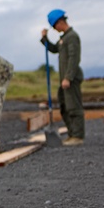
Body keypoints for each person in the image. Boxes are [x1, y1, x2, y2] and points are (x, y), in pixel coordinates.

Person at [41, 9, 84, 145]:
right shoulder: (64, 38)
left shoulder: (72, 37)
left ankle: (77, 136)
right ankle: (72, 134)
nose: (54, 29)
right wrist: (45, 39)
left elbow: (74, 58)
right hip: (64, 80)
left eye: (54, 27)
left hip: (70, 79)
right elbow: (54, 49)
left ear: (60, 22)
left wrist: (68, 77)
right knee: (65, 106)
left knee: (73, 107)